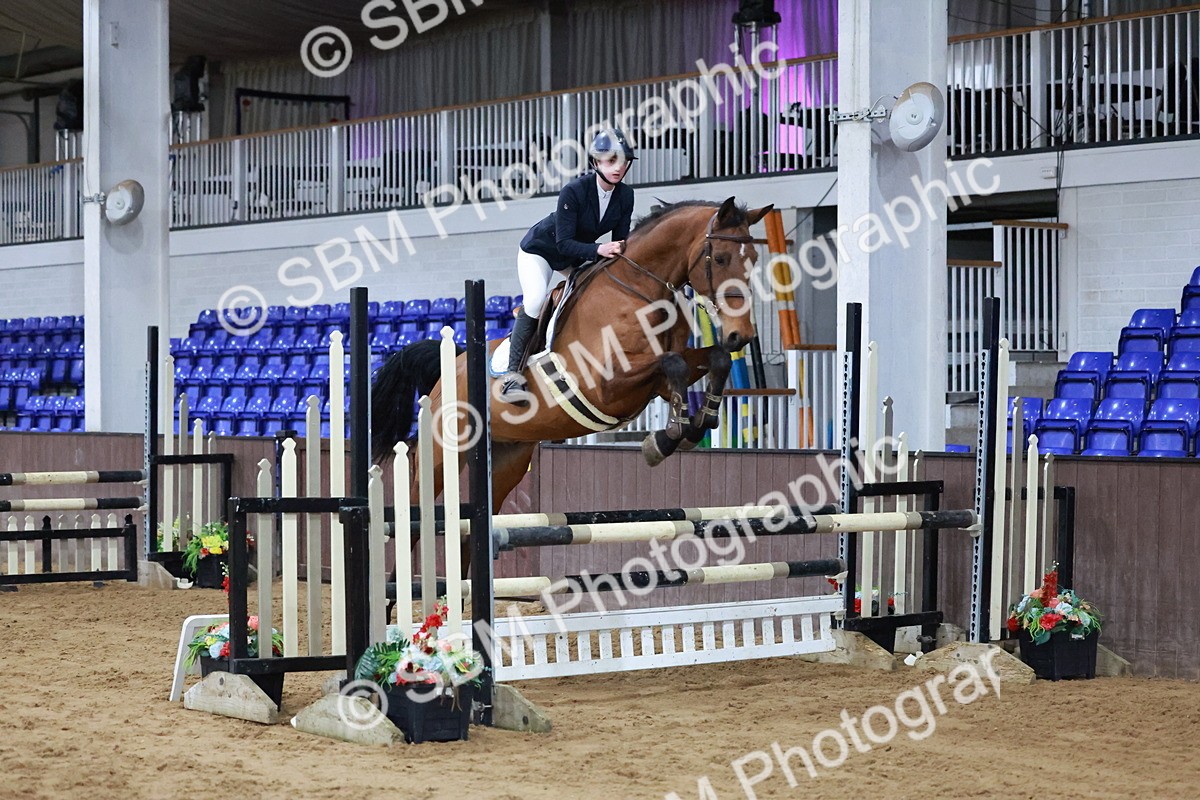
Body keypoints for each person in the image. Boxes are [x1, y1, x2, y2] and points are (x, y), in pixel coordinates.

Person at [498, 128, 637, 406]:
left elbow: (620, 243)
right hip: (541, 250)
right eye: (610, 161)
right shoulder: (573, 191)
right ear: (595, 163)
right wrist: (598, 250)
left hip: (577, 254)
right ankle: (512, 375)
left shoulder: (625, 196)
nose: (618, 167)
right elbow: (564, 244)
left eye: (623, 161)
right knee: (536, 299)